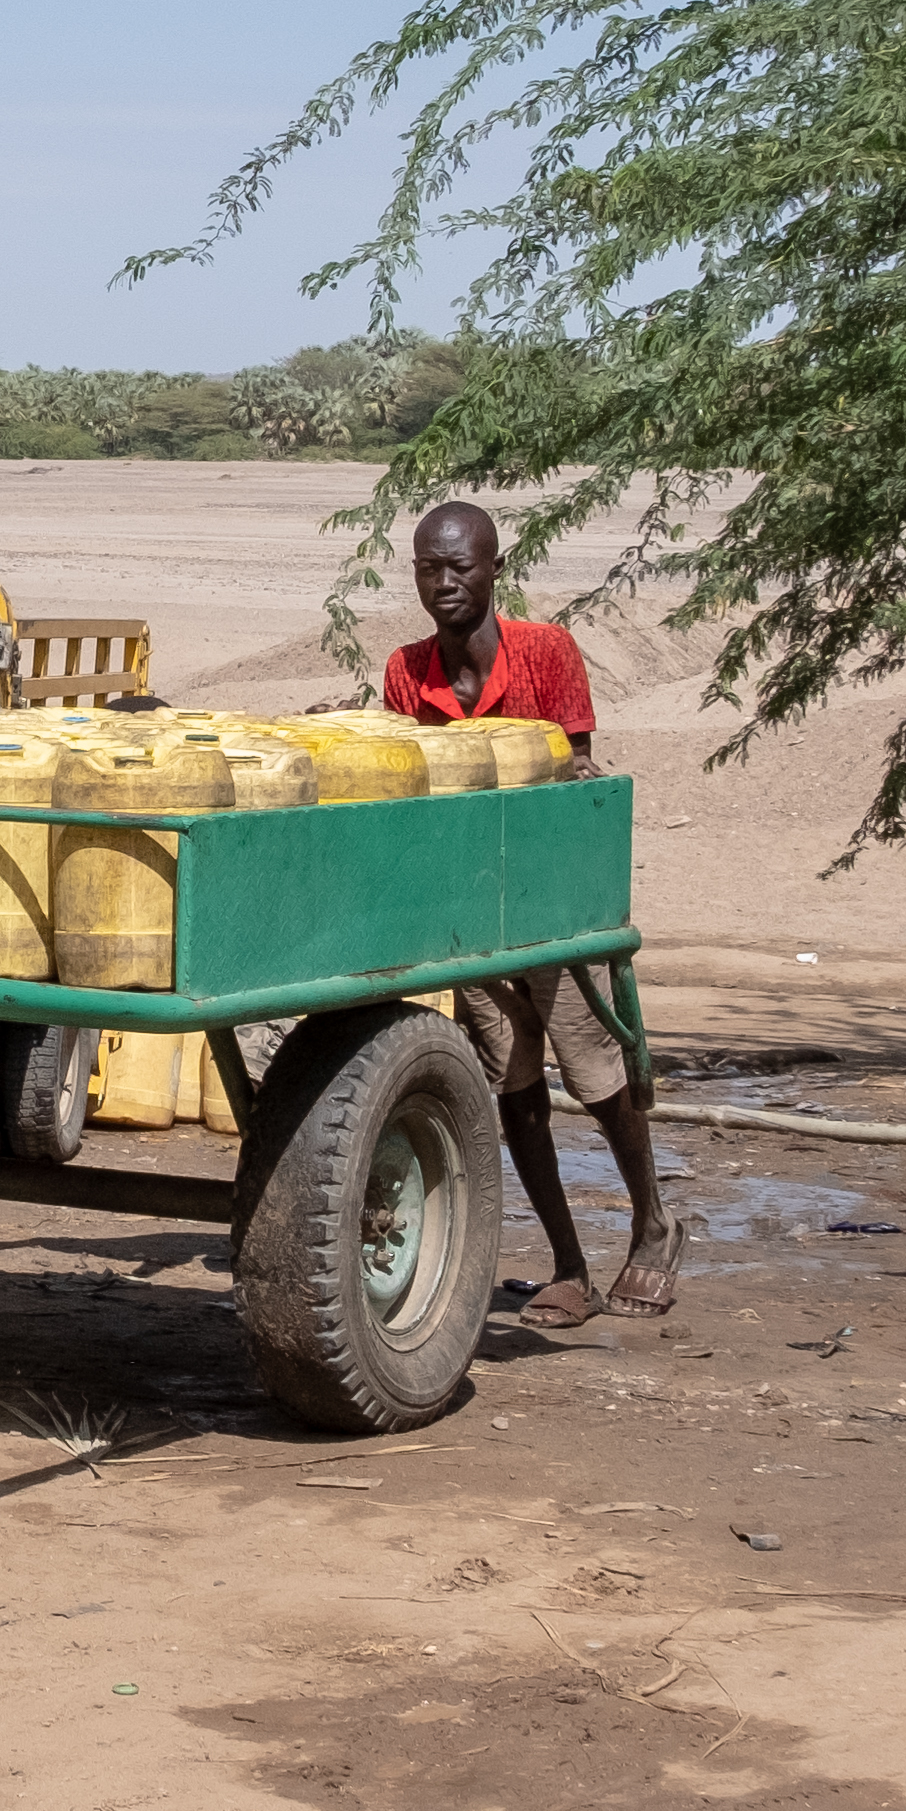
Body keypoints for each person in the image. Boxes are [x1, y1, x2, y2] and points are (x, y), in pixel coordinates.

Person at [384, 502, 670, 1324]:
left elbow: (577, 767)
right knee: (513, 1083)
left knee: (594, 1075)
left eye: (461, 567)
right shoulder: (407, 672)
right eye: (429, 569)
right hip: (472, 908)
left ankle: (653, 1224)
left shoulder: (545, 652)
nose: (444, 584)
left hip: (550, 905)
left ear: (494, 569)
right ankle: (568, 1263)